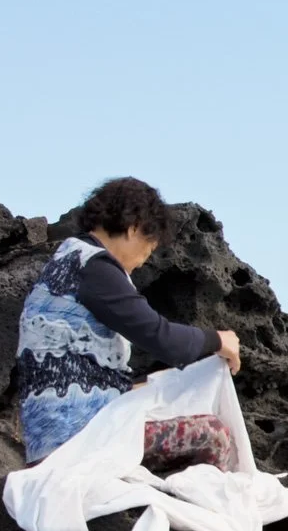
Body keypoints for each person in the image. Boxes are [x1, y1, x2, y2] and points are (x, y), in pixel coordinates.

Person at [16, 178, 242, 471]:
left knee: (171, 392)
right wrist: (217, 339)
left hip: (54, 437)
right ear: (134, 227)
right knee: (214, 435)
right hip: (74, 442)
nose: (142, 261)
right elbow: (161, 337)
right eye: (148, 249)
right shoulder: (95, 268)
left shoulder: (69, 258)